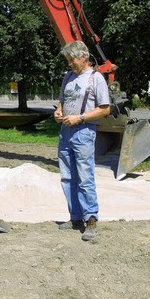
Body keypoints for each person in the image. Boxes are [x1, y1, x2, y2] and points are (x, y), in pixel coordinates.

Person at [54, 41, 111, 241]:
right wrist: (59, 111)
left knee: (85, 177)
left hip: (84, 131)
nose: (69, 64)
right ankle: (75, 217)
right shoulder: (68, 77)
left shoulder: (96, 79)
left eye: (72, 60)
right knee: (67, 176)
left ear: (84, 57)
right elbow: (63, 98)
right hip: (65, 132)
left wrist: (80, 117)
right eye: (68, 60)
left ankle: (91, 220)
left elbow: (105, 109)